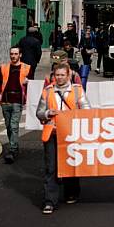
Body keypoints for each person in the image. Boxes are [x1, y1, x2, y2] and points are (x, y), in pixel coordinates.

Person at [36, 62, 90, 214]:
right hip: (52, 133)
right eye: (56, 75)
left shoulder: (78, 90)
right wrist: (47, 113)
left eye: (62, 75)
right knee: (51, 168)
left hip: (71, 134)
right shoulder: (48, 91)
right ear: (53, 75)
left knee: (70, 165)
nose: (59, 78)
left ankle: (71, 192)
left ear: (68, 75)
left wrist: (76, 117)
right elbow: (39, 112)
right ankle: (49, 201)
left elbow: (87, 110)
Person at [0, 46, 30, 164]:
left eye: (15, 54)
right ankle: (13, 145)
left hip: (17, 100)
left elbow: (33, 85)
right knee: (8, 126)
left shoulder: (26, 68)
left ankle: (12, 150)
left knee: (14, 125)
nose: (13, 56)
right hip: (5, 100)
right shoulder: (4, 68)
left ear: (20, 55)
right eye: (11, 54)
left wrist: (28, 82)